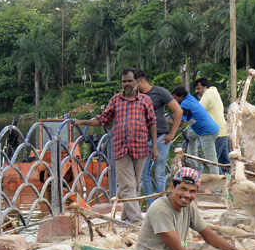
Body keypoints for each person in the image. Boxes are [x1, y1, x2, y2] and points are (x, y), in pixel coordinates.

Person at [71, 69, 157, 224]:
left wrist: (155, 147)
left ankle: (126, 218)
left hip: (141, 147)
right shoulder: (116, 100)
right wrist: (83, 122)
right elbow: (103, 120)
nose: (127, 84)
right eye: (124, 81)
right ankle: (137, 221)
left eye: (130, 81)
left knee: (135, 185)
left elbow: (152, 122)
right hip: (121, 147)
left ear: (136, 82)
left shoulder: (145, 100)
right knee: (127, 185)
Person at [135, 68, 183, 205]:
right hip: (143, 140)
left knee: (159, 173)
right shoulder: (136, 95)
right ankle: (151, 205)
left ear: (141, 81)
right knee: (143, 175)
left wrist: (172, 133)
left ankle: (161, 204)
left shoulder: (159, 92)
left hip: (161, 138)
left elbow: (178, 110)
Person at [171, 85, 220, 176]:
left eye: (175, 98)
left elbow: (180, 123)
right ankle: (193, 163)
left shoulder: (185, 104)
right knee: (190, 134)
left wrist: (167, 121)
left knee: (211, 160)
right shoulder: (190, 98)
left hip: (207, 132)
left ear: (181, 97)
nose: (174, 101)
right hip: (206, 128)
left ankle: (216, 185)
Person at [193, 77, 230, 174]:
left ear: (205, 87)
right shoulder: (215, 93)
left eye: (198, 88)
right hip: (224, 131)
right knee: (225, 162)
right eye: (195, 89)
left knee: (213, 163)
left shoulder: (208, 94)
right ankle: (229, 183)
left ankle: (218, 186)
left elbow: (197, 110)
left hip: (216, 133)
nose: (197, 91)